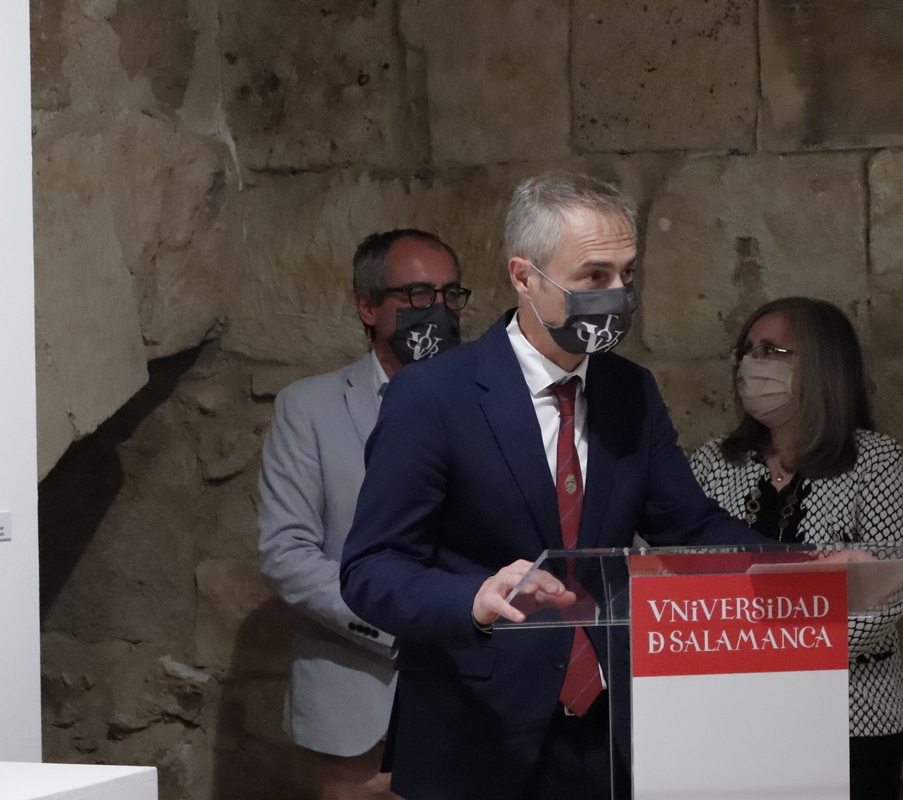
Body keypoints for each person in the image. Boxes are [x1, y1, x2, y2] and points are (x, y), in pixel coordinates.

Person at [339, 172, 768, 800]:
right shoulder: (433, 395)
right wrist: (475, 598)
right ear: (524, 277)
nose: (617, 294)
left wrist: (808, 570)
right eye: (594, 276)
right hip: (477, 731)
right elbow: (372, 568)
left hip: (609, 729)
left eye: (626, 274)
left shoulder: (630, 390)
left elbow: (689, 525)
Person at [258, 229, 470, 800]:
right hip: (358, 700)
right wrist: (405, 620)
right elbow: (287, 554)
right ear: (367, 307)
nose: (438, 309)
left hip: (476, 695)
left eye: (450, 294)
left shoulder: (492, 404)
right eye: (417, 295)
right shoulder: (309, 408)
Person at [689, 297, 903, 800]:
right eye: (747, 350)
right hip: (734, 713)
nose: (752, 363)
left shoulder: (875, 460)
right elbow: (687, 580)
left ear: (822, 365)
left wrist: (783, 649)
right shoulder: (713, 461)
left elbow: (884, 591)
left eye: (772, 351)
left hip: (851, 715)